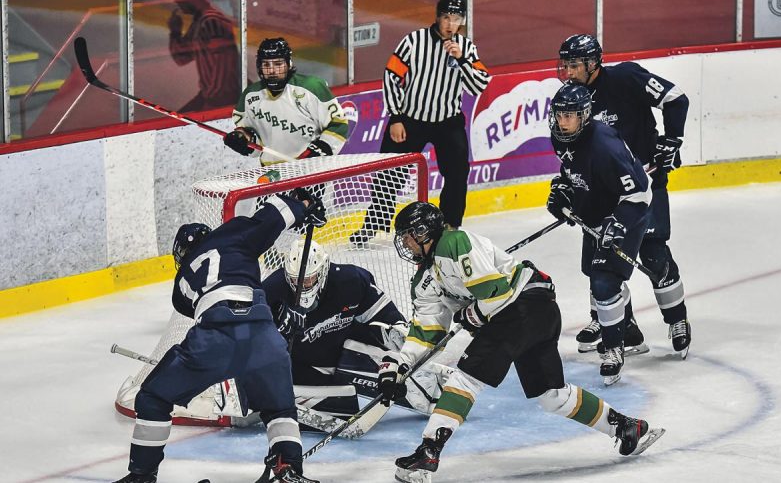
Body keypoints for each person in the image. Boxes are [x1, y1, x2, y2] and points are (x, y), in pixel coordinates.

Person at [379, 201, 664, 483]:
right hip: (532, 313)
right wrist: (399, 365)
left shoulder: (454, 242)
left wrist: (472, 313)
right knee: (552, 395)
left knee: (465, 379)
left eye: (407, 236)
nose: (404, 243)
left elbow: (496, 291)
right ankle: (627, 427)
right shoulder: (424, 280)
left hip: (524, 306)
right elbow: (426, 331)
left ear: (423, 231)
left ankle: (428, 453)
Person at [113, 188, 326, 483]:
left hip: (215, 338)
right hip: (265, 336)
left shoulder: (182, 282)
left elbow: (197, 307)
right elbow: (271, 217)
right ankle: (287, 469)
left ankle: (142, 476)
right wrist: (302, 203)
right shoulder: (231, 236)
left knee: (152, 397)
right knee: (279, 408)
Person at [555, 33, 692, 359]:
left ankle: (677, 319)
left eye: (574, 64)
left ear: (592, 62)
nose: (568, 71)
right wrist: (567, 188)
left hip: (644, 182)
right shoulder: (574, 98)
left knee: (654, 253)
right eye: (566, 65)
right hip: (602, 191)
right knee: (600, 256)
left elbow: (676, 98)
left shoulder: (625, 78)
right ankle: (619, 326)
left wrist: (672, 141)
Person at [349, 0, 491, 246]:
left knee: (458, 173)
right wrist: (396, 117)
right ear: (437, 17)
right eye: (446, 17)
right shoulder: (414, 41)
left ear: (462, 21)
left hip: (448, 122)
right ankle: (375, 222)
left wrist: (461, 60)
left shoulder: (466, 48)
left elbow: (478, 85)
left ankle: (450, 224)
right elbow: (392, 75)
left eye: (456, 18)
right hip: (411, 119)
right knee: (387, 172)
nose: (450, 23)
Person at [263, 238, 452, 425]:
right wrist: (277, 333)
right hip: (304, 366)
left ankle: (433, 391)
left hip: (344, 351)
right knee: (344, 408)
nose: (303, 286)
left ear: (322, 271)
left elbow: (384, 313)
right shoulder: (271, 291)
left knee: (393, 350)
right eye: (296, 280)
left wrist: (397, 334)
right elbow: (254, 345)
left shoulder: (349, 280)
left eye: (309, 279)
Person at [546, 83, 653, 385]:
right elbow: (572, 174)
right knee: (593, 272)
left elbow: (640, 195)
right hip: (596, 211)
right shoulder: (560, 137)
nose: (562, 121)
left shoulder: (606, 146)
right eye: (559, 114)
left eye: (570, 115)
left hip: (627, 211)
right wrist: (562, 192)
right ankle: (628, 329)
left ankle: (613, 348)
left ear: (585, 115)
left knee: (604, 281)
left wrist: (618, 223)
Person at [223, 37, 349, 165]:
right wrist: (242, 139)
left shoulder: (311, 88)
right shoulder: (250, 96)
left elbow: (339, 124)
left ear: (289, 64)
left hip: (313, 170)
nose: (272, 71)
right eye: (266, 65)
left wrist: (321, 149)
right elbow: (253, 142)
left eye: (278, 64)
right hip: (273, 173)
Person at [167, 0, 240, 112]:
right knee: (172, 123)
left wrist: (212, 104)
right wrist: (175, 32)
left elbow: (224, 72)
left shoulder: (211, 22)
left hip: (222, 101)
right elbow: (181, 58)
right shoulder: (200, 22)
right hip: (210, 97)